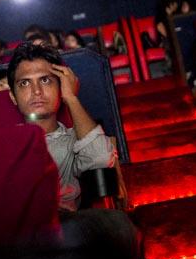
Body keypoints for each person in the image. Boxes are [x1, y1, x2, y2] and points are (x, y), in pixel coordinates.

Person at [6, 43, 115, 212]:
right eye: (25, 83)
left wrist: (71, 98)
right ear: (13, 96)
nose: (36, 91)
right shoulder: (3, 142)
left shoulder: (75, 139)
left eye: (45, 80)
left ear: (60, 88)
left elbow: (100, 159)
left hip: (64, 226)